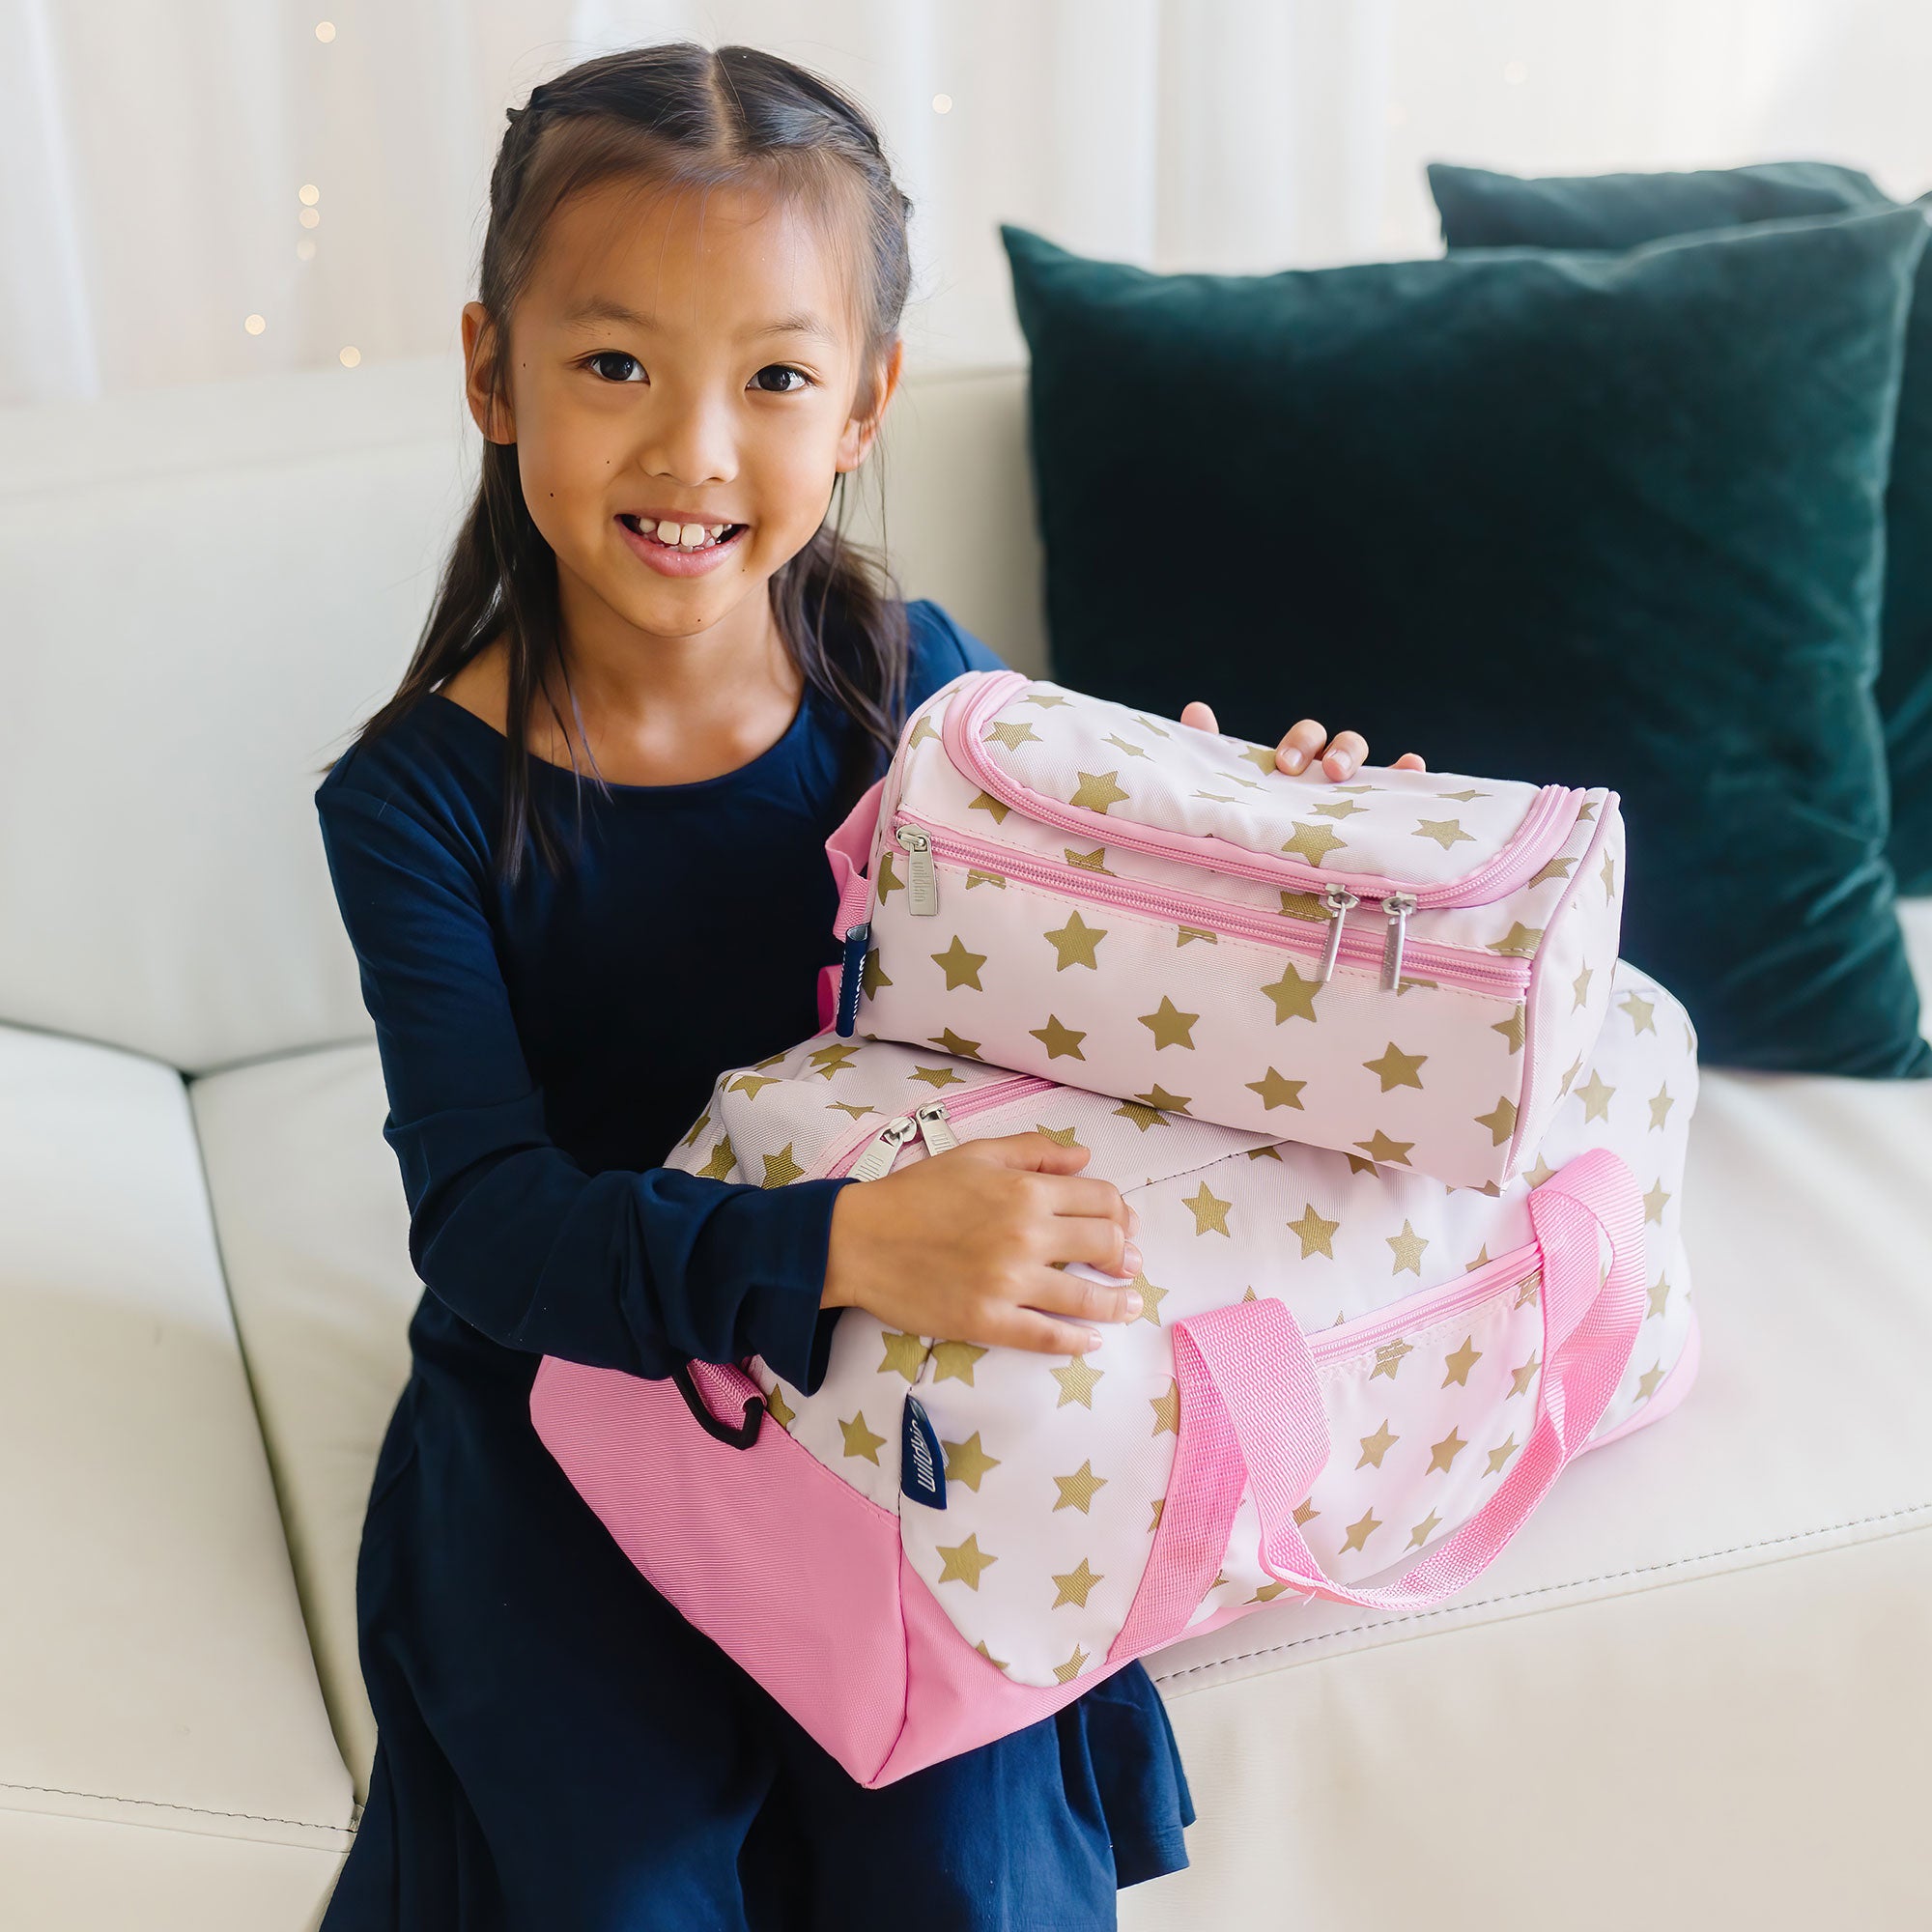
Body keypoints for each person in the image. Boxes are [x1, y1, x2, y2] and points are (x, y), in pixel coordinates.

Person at [315, 42, 1424, 1932]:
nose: (691, 450)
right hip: (571, 1399)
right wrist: (837, 1247)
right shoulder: (412, 797)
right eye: (614, 366)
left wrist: (1293, 845)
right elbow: (487, 1227)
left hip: (911, 1390)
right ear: (493, 368)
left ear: (865, 403)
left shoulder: (911, 684)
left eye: (771, 377)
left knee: (958, 1871)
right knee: (628, 1884)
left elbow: (1130, 925)